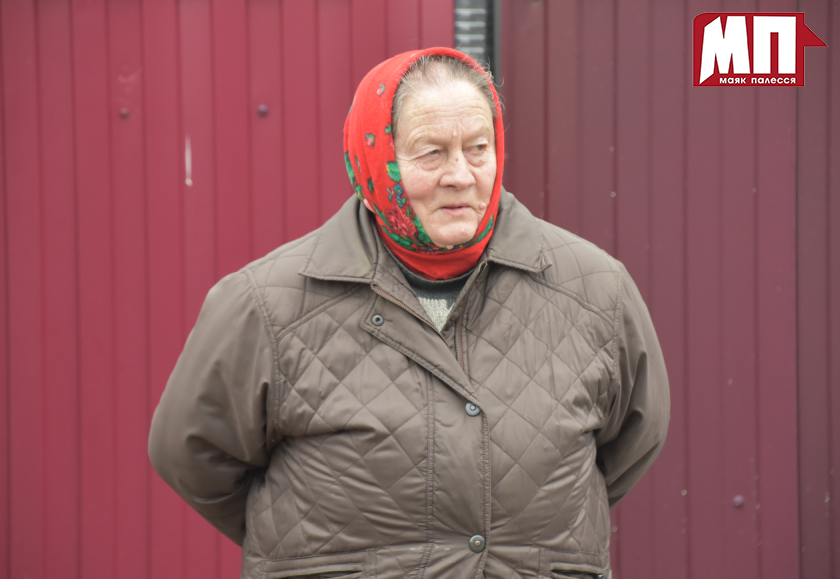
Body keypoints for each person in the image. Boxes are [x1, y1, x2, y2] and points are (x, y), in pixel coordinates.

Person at [149, 47, 669, 579]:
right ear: (374, 157)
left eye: (478, 147)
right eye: (431, 152)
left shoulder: (596, 289)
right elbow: (191, 455)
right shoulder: (264, 304)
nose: (460, 175)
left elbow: (633, 441)